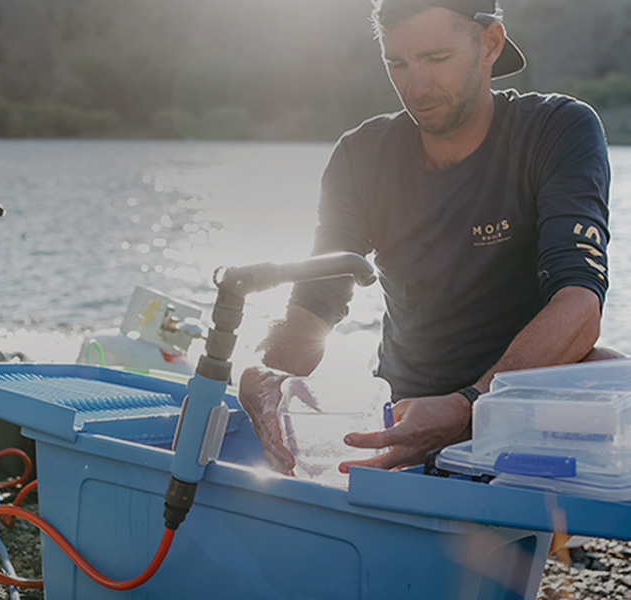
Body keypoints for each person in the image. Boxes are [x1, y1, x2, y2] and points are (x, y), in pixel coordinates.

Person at [239, 0, 619, 477]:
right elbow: (316, 305)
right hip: (406, 413)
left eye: (436, 59)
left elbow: (580, 302)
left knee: (608, 369)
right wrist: (265, 375)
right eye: (397, 64)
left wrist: (470, 407)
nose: (414, 88)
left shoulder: (558, 129)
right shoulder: (362, 155)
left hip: (520, 410)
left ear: (490, 44)